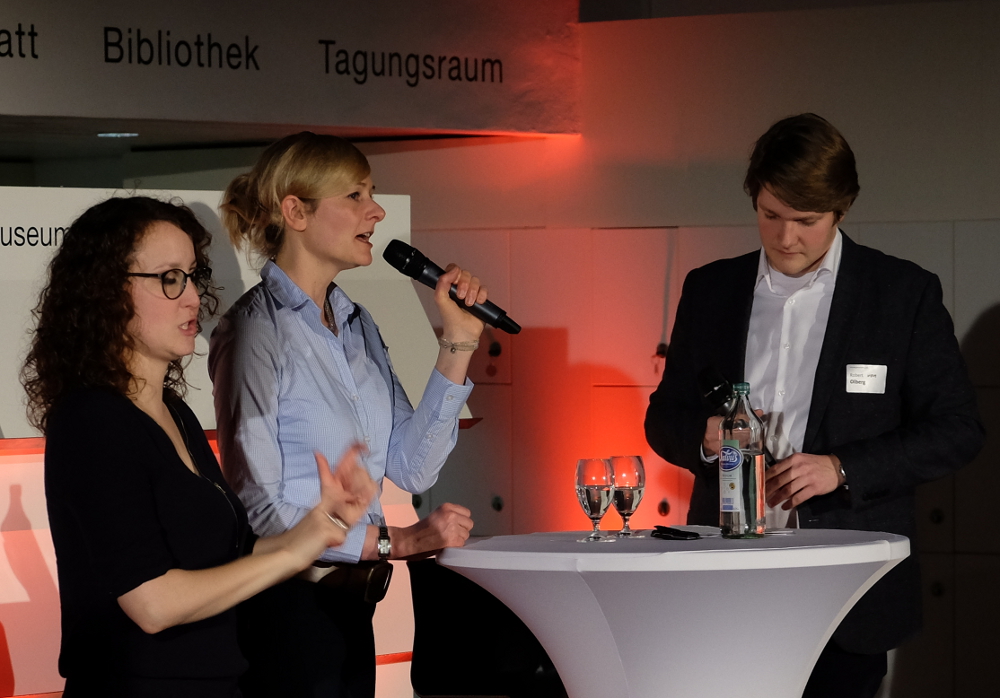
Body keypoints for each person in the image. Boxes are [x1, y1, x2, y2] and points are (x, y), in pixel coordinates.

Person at [644, 113, 984, 698]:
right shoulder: (710, 289)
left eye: (806, 220)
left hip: (844, 594)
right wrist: (702, 437)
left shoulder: (900, 294)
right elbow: (662, 418)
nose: (785, 237)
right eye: (770, 215)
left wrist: (842, 468)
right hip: (725, 583)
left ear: (842, 209)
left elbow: (957, 430)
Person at [22, 196, 376, 698]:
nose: (192, 298)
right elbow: (153, 603)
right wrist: (293, 551)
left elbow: (232, 557)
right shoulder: (91, 422)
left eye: (192, 275)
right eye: (169, 279)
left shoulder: (176, 413)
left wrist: (319, 529)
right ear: (105, 292)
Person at [209, 131, 487, 698]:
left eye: (373, 193)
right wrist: (391, 543)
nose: (376, 210)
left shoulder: (358, 323)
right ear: (296, 212)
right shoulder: (254, 331)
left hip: (352, 611)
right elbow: (260, 511)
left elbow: (412, 467)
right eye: (356, 196)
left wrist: (457, 341)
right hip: (283, 613)